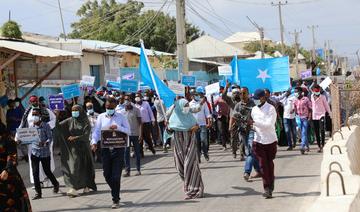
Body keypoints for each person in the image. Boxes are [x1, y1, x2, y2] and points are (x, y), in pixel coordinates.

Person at [91, 97, 131, 209]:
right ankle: (115, 189)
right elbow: (96, 132)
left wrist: (118, 127)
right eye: (107, 107)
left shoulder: (121, 117)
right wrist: (94, 142)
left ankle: (115, 199)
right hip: (105, 150)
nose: (109, 109)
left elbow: (128, 131)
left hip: (118, 149)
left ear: (115, 106)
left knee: (116, 176)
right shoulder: (101, 117)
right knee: (107, 175)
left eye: (111, 107)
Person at [55, 105, 97, 197]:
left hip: (84, 148)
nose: (74, 112)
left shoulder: (86, 121)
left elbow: (86, 136)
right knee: (73, 166)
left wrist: (76, 137)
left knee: (85, 167)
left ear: (81, 111)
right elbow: (58, 127)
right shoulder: (70, 120)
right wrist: (57, 116)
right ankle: (73, 188)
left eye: (76, 110)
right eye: (73, 111)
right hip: (73, 148)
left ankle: (86, 185)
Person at [16, 95, 56, 187]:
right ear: (29, 102)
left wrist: (47, 126)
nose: (34, 102)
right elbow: (22, 124)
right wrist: (17, 137)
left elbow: (53, 119)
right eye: (32, 101)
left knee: (46, 160)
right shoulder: (27, 112)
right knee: (34, 161)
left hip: (44, 138)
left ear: (38, 101)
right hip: (32, 139)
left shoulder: (46, 110)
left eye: (35, 101)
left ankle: (47, 178)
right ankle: (38, 182)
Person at [169, 98, 204, 199]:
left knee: (190, 165)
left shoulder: (190, 116)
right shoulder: (173, 117)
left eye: (187, 105)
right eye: (185, 106)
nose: (186, 107)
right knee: (180, 167)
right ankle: (188, 185)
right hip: (178, 145)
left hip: (190, 144)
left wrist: (194, 128)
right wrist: (169, 128)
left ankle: (194, 190)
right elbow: (168, 132)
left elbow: (197, 126)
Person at [250, 89, 277, 199]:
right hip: (258, 141)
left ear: (262, 98)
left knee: (269, 164)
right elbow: (254, 124)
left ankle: (271, 183)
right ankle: (267, 188)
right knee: (262, 165)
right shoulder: (254, 110)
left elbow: (269, 124)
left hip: (270, 140)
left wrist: (254, 123)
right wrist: (251, 126)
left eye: (257, 99)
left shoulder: (271, 109)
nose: (255, 101)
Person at [0, 122, 32, 212]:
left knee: (13, 204)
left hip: (7, 175)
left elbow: (12, 155)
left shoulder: (7, 138)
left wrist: (7, 170)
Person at [29, 108, 59, 200]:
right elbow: (28, 137)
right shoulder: (31, 127)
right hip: (34, 152)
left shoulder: (46, 126)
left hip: (44, 152)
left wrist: (45, 143)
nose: (34, 117)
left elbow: (50, 138)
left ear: (40, 116)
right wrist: (21, 140)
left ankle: (55, 183)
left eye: (36, 114)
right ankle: (38, 193)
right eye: (33, 115)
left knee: (47, 171)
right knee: (35, 173)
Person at [233, 87, 260, 181]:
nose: (242, 95)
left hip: (252, 130)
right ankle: (259, 170)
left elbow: (260, 114)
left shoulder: (254, 104)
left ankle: (247, 172)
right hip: (242, 131)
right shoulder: (238, 105)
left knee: (250, 151)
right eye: (241, 93)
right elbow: (234, 115)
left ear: (248, 93)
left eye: (244, 93)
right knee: (251, 152)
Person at [120, 99, 142, 177]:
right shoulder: (122, 112)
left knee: (137, 152)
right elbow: (121, 124)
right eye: (125, 104)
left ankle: (138, 169)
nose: (127, 105)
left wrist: (140, 134)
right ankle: (127, 170)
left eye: (128, 103)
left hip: (135, 134)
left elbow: (140, 123)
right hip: (126, 135)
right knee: (126, 152)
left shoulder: (136, 110)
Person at [189, 86, 212, 162]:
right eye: (194, 95)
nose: (196, 96)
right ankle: (198, 156)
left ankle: (205, 152)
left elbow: (207, 113)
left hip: (202, 125)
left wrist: (209, 121)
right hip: (194, 126)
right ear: (192, 96)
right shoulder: (189, 104)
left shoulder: (203, 102)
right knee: (197, 142)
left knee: (203, 140)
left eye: (196, 94)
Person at [222, 83, 244, 159]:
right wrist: (226, 87)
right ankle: (234, 151)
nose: (236, 95)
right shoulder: (230, 100)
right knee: (233, 138)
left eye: (237, 93)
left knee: (242, 138)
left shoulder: (243, 99)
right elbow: (223, 96)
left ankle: (242, 154)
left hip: (242, 121)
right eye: (234, 93)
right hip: (233, 121)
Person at [311, 85, 331, 153]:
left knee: (322, 130)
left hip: (321, 114)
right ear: (313, 90)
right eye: (315, 91)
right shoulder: (311, 96)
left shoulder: (323, 97)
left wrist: (330, 113)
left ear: (319, 90)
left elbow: (326, 105)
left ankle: (323, 144)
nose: (316, 92)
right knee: (316, 131)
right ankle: (319, 146)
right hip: (314, 115)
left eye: (317, 91)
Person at [294, 87, 312, 155]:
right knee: (302, 133)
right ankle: (307, 146)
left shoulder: (306, 99)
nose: (295, 93)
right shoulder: (295, 100)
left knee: (304, 132)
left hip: (305, 118)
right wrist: (293, 111)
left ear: (301, 92)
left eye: (297, 91)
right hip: (298, 118)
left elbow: (310, 109)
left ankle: (302, 146)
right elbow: (295, 108)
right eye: (295, 92)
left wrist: (309, 117)